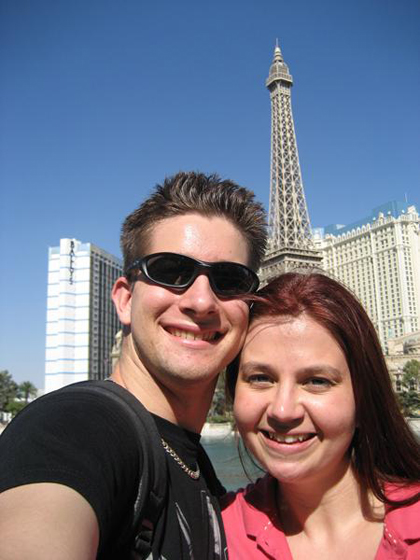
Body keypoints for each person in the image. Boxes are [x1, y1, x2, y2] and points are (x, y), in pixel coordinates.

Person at [0, 171, 267, 560]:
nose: (201, 301)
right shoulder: (76, 427)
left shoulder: (199, 470)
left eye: (229, 279)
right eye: (172, 271)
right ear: (125, 300)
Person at [222, 272, 420, 560]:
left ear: (364, 398)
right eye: (261, 377)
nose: (282, 410)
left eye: (317, 381)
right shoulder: (214, 535)